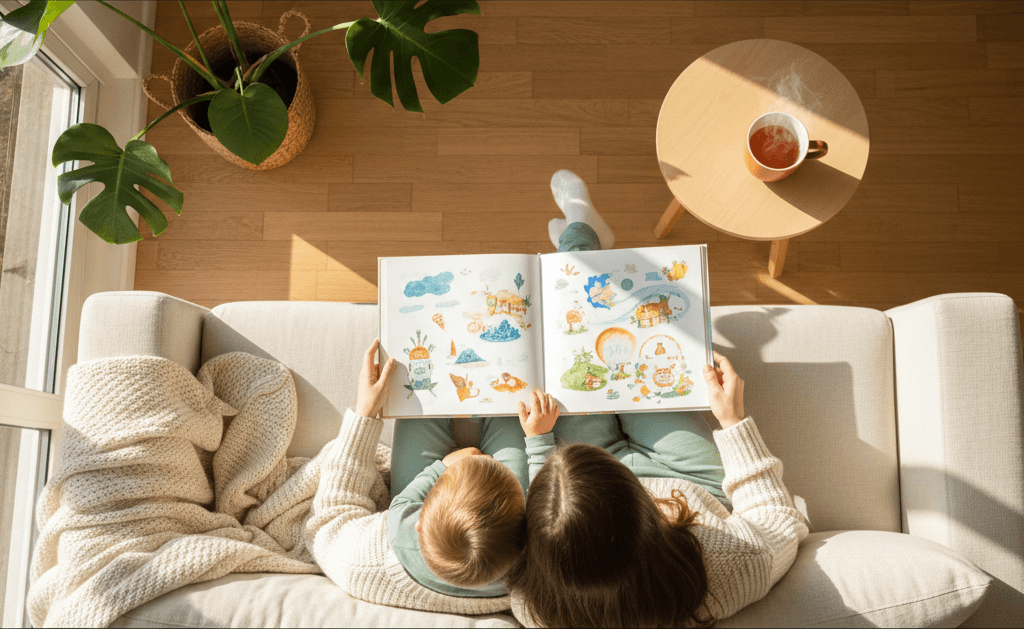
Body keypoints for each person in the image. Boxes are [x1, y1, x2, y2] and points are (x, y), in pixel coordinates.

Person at [506, 352, 811, 627]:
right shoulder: (733, 565)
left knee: (568, 375)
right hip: (687, 481)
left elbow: (553, 518)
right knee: (645, 365)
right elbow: (778, 516)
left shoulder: (533, 606)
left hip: (592, 484)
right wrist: (732, 420)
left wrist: (540, 445)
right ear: (649, 508)